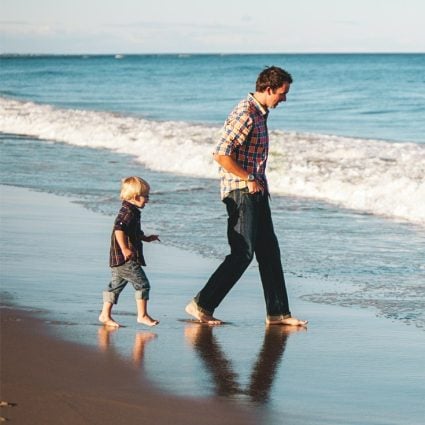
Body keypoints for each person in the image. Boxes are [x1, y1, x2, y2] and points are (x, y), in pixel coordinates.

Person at [185, 66, 307, 326]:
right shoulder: (246, 113)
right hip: (241, 191)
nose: (284, 99)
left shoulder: (260, 113)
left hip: (256, 190)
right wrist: (248, 177)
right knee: (243, 252)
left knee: (270, 253)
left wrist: (256, 181)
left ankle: (278, 313)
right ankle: (202, 304)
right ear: (268, 89)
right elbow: (220, 153)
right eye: (282, 94)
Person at [99, 176, 159, 327]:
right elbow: (119, 230)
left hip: (118, 259)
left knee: (115, 286)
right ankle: (142, 315)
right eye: (146, 197)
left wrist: (146, 238)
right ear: (135, 196)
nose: (147, 200)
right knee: (143, 284)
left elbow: (132, 232)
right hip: (125, 258)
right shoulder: (128, 212)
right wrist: (125, 248)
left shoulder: (131, 210)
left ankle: (105, 315)